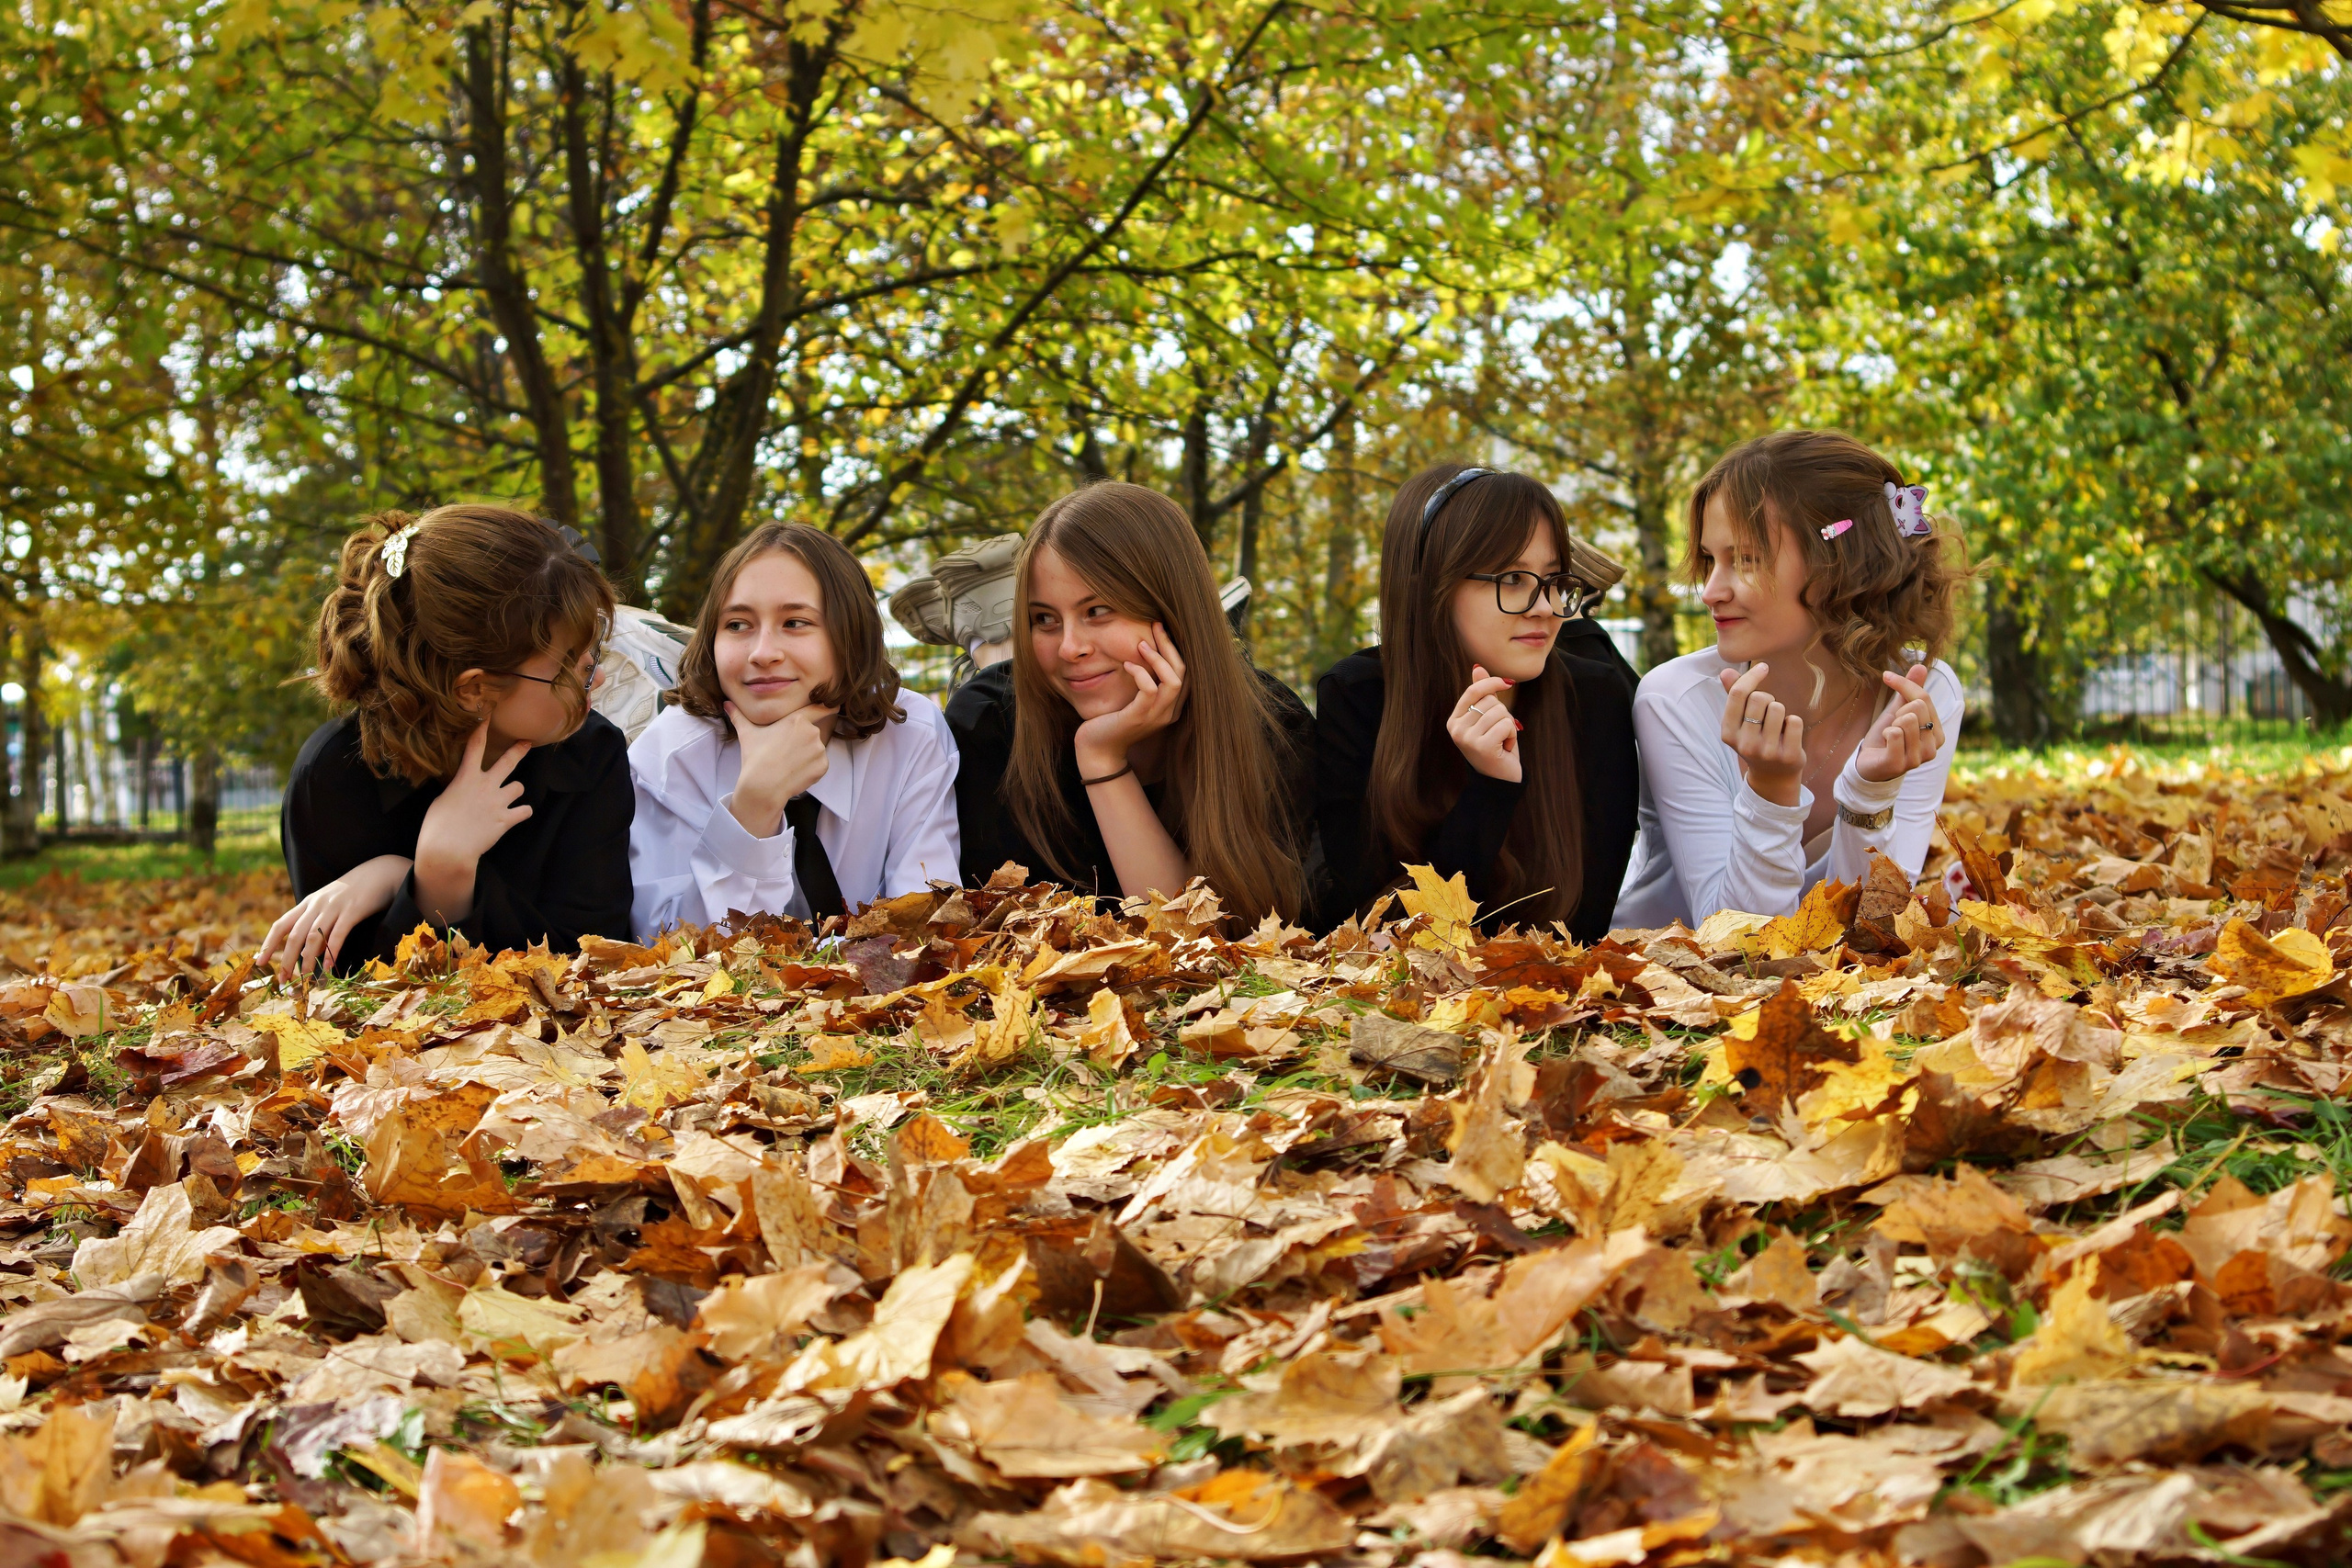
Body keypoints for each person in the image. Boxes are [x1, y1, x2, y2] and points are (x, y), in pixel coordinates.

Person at [1614, 430, 1968, 928]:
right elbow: (1736, 942)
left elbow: (1873, 929)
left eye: (1747, 559)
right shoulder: (1675, 701)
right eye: (1711, 561)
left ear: (1836, 567)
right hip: (1653, 989)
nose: (1710, 591)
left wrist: (1872, 793)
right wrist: (1770, 791)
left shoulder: (1920, 694)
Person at [262, 505, 631, 977]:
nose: (596, 677)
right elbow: (346, 990)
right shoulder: (336, 774)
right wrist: (438, 875)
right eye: (571, 667)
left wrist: (422, 876)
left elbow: (594, 962)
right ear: (473, 689)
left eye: (592, 651)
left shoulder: (590, 753)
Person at [947, 481, 1311, 925]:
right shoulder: (989, 725)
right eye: (1043, 619)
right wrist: (1100, 752)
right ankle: (986, 644)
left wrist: (1101, 758)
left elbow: (1189, 943)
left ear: (1171, 609)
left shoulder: (1272, 723)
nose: (1069, 647)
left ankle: (984, 637)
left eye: (1097, 610)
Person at [1316, 464, 1641, 940]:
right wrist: (1489, 791)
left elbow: (1584, 930)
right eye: (1511, 579)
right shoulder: (1361, 697)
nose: (1545, 607)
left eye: (1553, 580)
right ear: (1433, 587)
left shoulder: (1595, 698)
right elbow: (1377, 936)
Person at [628, 524, 959, 938]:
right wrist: (754, 808)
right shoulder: (669, 755)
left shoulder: (910, 733)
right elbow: (667, 952)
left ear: (850, 636)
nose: (763, 652)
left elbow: (926, 930)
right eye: (737, 625)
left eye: (796, 622)